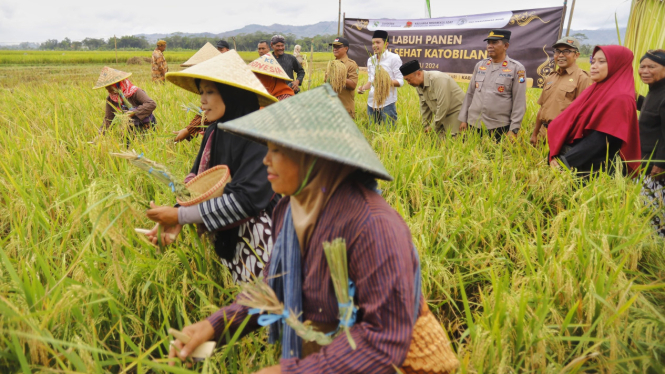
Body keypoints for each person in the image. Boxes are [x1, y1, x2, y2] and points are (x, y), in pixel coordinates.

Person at [166, 85, 459, 374]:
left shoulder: (372, 226)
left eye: (277, 150)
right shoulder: (289, 210)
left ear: (313, 157)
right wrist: (213, 325)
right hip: (322, 356)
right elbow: (272, 287)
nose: (265, 160)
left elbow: (384, 339)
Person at [145, 51, 280, 283]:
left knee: (261, 308)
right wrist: (177, 216)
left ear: (232, 94)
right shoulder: (213, 132)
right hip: (225, 233)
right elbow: (198, 180)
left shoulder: (259, 137)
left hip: (261, 238)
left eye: (209, 92)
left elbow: (247, 200)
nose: (202, 101)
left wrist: (180, 215)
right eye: (201, 93)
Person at [547, 45, 641, 177]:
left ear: (618, 64)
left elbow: (602, 139)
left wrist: (565, 162)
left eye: (601, 61)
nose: (594, 66)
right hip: (578, 159)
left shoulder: (620, 97)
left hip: (592, 169)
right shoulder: (597, 89)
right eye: (593, 61)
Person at [458, 29, 527, 141]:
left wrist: (514, 129)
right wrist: (463, 119)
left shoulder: (517, 68)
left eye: (494, 43)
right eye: (488, 43)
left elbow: (519, 101)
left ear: (506, 46)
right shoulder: (480, 65)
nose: (490, 46)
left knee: (494, 157)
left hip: (498, 127)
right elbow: (470, 93)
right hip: (474, 124)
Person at [530, 37, 592, 146]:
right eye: (557, 51)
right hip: (543, 134)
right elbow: (542, 108)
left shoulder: (583, 78)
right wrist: (535, 133)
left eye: (566, 51)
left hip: (563, 136)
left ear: (576, 55)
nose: (561, 55)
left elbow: (583, 114)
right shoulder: (551, 77)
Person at [637, 49, 665, 236]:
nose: (645, 70)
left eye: (652, 66)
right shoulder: (655, 91)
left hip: (655, 165)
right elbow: (652, 111)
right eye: (642, 66)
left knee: (654, 213)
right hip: (645, 159)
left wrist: (660, 164)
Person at [400, 59, 464, 137]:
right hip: (441, 117)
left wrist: (433, 126)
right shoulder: (418, 84)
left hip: (456, 114)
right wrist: (426, 126)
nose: (408, 83)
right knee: (435, 142)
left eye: (408, 79)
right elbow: (424, 107)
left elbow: (443, 105)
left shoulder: (438, 79)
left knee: (452, 143)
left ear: (418, 74)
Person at [357, 30, 404, 127]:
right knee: (373, 131)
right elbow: (371, 81)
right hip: (372, 102)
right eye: (373, 43)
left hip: (387, 103)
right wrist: (363, 88)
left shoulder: (394, 58)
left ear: (386, 44)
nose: (374, 45)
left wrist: (384, 81)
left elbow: (400, 81)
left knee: (389, 133)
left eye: (378, 42)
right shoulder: (371, 60)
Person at [93, 66, 156, 133]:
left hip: (146, 125)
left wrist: (134, 112)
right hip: (129, 129)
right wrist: (100, 135)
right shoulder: (110, 99)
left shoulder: (135, 92)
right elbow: (108, 119)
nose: (109, 91)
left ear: (117, 84)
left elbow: (151, 104)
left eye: (111, 88)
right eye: (107, 88)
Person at [327, 37, 358, 118]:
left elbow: (353, 85)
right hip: (331, 109)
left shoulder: (351, 65)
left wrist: (339, 78)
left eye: (338, 47)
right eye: (334, 47)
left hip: (345, 110)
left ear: (346, 48)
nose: (335, 49)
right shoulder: (331, 65)